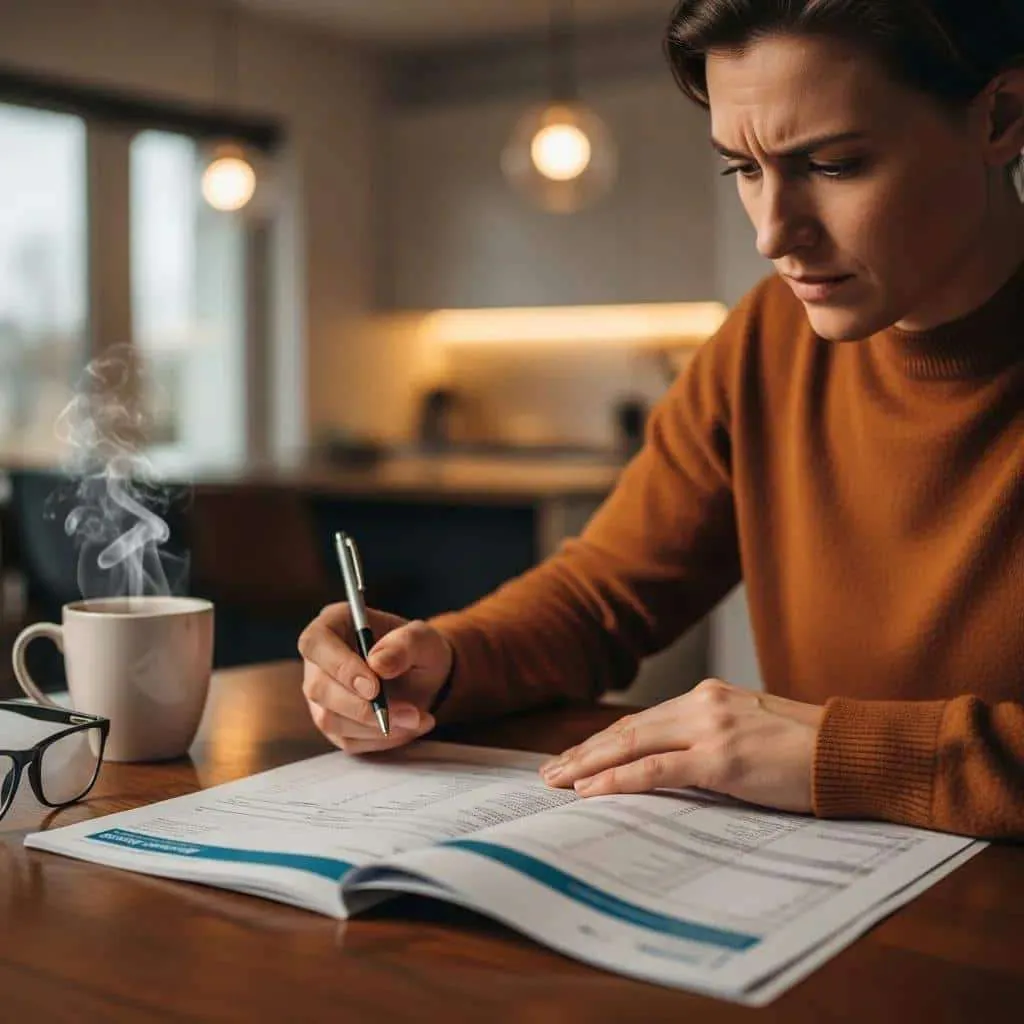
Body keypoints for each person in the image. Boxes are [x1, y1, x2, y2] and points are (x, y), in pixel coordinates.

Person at [299, 0, 1024, 840]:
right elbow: (602, 595)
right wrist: (444, 660)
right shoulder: (767, 338)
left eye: (833, 164)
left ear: (1000, 117)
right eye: (743, 169)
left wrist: (845, 754)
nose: (772, 233)